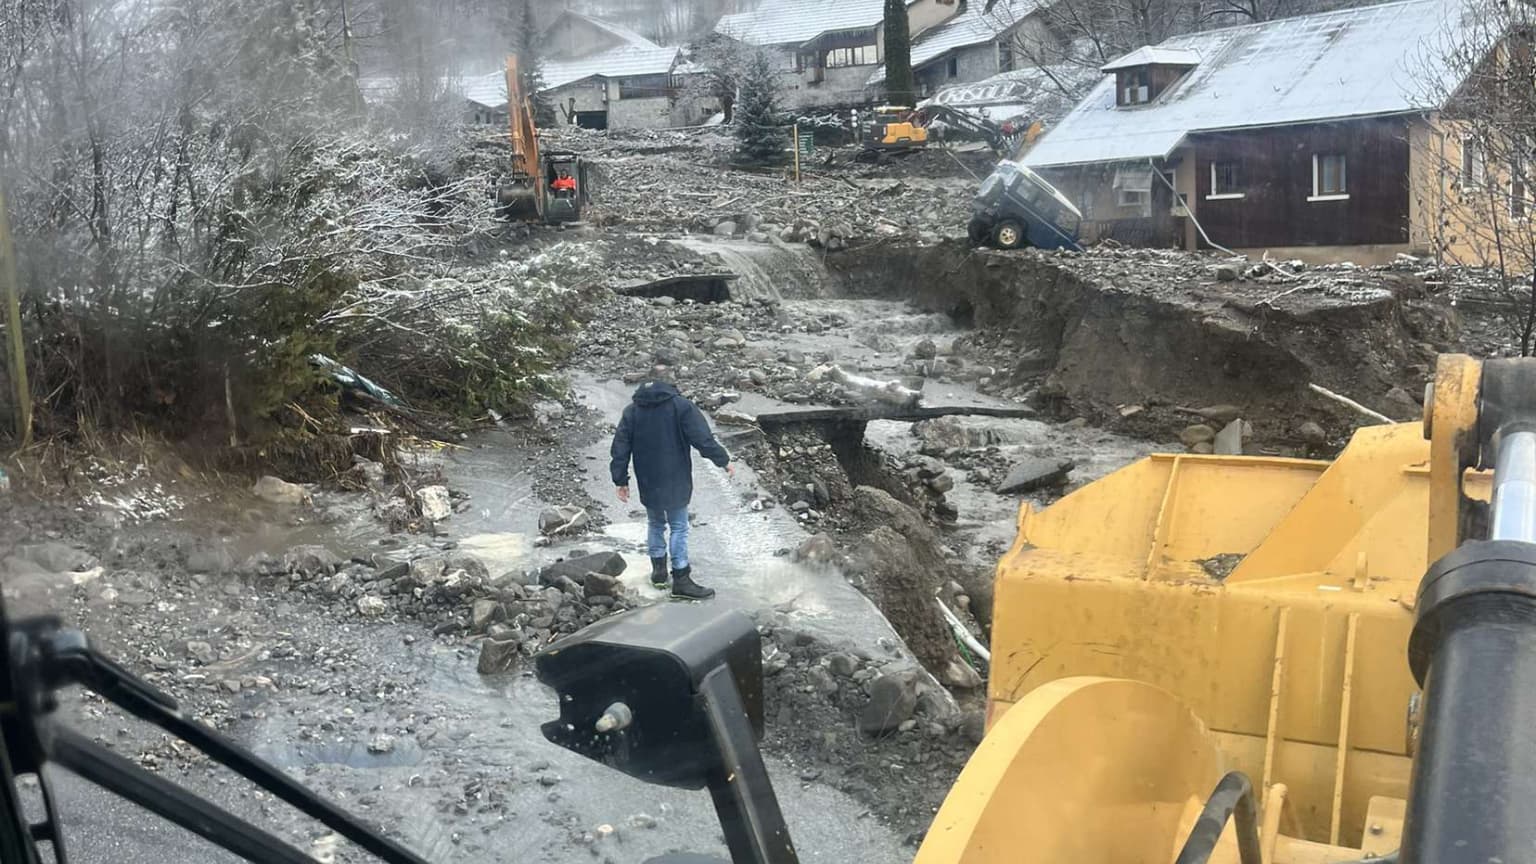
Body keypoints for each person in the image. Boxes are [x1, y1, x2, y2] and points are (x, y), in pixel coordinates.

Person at [610, 375, 733, 599]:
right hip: (675, 476)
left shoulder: (632, 411)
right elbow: (702, 439)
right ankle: (681, 578)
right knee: (679, 526)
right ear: (670, 387)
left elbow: (620, 445)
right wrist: (723, 460)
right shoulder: (681, 407)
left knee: (656, 523)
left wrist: (620, 480)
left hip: (647, 477)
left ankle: (658, 572)